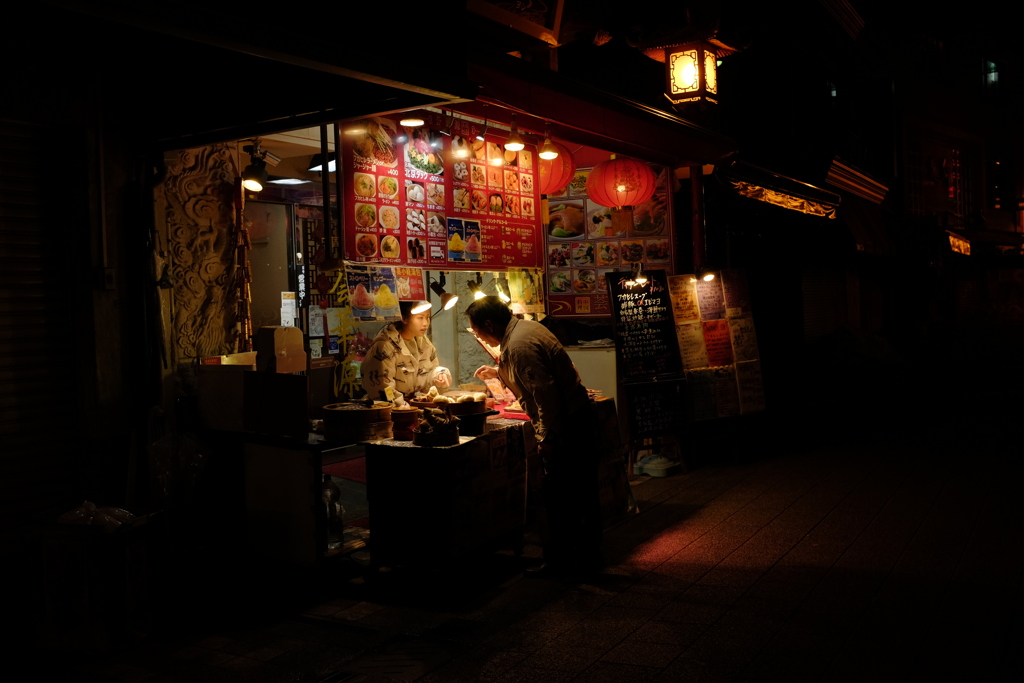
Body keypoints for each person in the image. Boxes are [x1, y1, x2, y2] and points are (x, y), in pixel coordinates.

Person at [467, 296, 603, 577]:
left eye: (477, 330)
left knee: (563, 497)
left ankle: (564, 564)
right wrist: (500, 372)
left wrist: (549, 439)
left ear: (489, 324)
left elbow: (545, 394)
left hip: (567, 424)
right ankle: (585, 560)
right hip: (575, 417)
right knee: (581, 493)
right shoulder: (524, 329)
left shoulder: (518, 345)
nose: (477, 335)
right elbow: (535, 373)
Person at [361, 300, 451, 404]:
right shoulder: (384, 347)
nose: (426, 323)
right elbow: (383, 389)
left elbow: (426, 374)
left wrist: (438, 376)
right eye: (420, 317)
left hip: (412, 405)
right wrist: (404, 407)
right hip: (389, 410)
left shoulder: (424, 343)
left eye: (427, 317)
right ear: (404, 318)